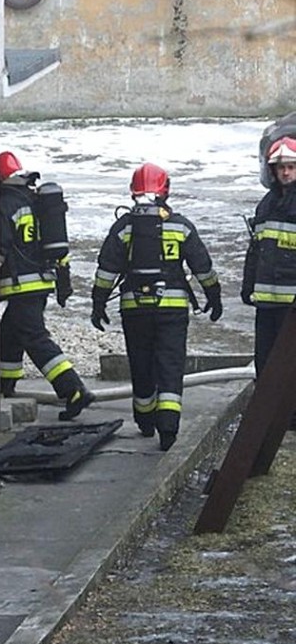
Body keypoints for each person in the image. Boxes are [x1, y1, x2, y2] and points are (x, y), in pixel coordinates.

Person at [91, 162, 222, 451]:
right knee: (170, 364)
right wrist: (214, 295)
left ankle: (145, 420)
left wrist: (98, 303)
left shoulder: (123, 227)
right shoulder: (180, 226)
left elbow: (106, 270)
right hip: (173, 308)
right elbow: (202, 266)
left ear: (132, 191)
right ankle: (169, 428)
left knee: (141, 362)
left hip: (133, 308)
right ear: (166, 190)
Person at [0, 150, 94, 420]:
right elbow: (57, 247)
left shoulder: (6, 204)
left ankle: (73, 389)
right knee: (9, 332)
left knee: (35, 338)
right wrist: (64, 283)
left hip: (20, 286)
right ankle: (5, 384)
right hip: (42, 281)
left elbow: (0, 248)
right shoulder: (36, 201)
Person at [241, 135, 296, 379]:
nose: (286, 173)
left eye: (291, 167)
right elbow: (255, 251)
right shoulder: (266, 205)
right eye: (281, 167)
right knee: (265, 365)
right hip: (266, 303)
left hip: (292, 305)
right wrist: (247, 284)